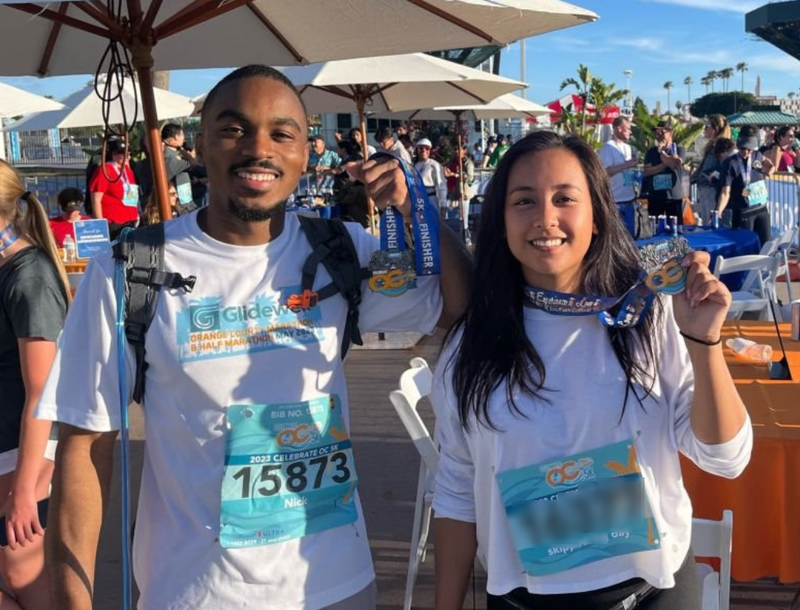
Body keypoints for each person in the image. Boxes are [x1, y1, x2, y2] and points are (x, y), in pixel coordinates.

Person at [36, 64, 472, 610]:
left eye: (281, 133)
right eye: (233, 129)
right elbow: (84, 445)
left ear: (305, 155)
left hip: (336, 584)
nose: (258, 149)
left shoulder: (343, 250)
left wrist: (415, 208)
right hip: (194, 593)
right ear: (199, 147)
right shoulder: (127, 271)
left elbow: (459, 305)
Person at [431, 131, 752, 610]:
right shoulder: (470, 345)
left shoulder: (646, 316)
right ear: (500, 221)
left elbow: (726, 458)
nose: (545, 218)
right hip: (523, 601)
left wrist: (704, 342)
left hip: (653, 595)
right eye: (523, 201)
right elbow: (457, 490)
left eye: (564, 198)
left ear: (597, 216)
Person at [0, 160, 70, 610]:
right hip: (9, 450)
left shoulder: (29, 275)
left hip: (22, 454)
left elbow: (42, 392)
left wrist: (25, 492)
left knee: (25, 580)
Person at [717, 127, 774, 245]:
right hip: (743, 211)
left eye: (749, 149)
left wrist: (771, 170)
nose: (746, 152)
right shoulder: (730, 163)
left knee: (766, 244)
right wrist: (719, 211)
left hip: (761, 208)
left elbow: (769, 163)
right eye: (743, 148)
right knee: (746, 246)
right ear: (738, 146)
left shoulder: (757, 155)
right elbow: (725, 192)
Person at [89, 139, 139, 240]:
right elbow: (96, 199)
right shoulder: (105, 170)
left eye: (129, 154)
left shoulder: (127, 171)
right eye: (124, 154)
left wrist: (137, 214)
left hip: (130, 220)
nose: (128, 157)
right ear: (114, 154)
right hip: (113, 223)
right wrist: (100, 225)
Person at [643, 120, 686, 219]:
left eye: (662, 132)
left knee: (675, 225)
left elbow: (675, 164)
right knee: (654, 224)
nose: (658, 135)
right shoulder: (651, 152)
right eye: (656, 133)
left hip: (673, 197)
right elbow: (647, 171)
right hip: (655, 196)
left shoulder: (679, 150)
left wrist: (662, 152)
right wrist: (664, 164)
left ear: (671, 133)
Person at [692, 114, 731, 224]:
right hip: (705, 188)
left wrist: (713, 177)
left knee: (712, 222)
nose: (704, 129)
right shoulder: (712, 145)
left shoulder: (722, 146)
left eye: (707, 126)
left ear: (715, 129)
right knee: (706, 221)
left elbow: (726, 167)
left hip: (712, 190)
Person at [599, 117, 639, 206]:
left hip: (630, 199)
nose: (630, 132)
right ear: (619, 129)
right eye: (628, 128)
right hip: (615, 201)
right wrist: (626, 165)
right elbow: (604, 173)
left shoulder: (628, 148)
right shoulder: (607, 148)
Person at [161, 123, 199, 216]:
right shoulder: (169, 157)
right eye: (182, 135)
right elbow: (193, 162)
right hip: (180, 206)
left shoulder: (173, 155)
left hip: (185, 203)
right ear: (176, 137)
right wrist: (183, 150)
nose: (183, 138)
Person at [333, 141, 369, 228]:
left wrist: (348, 183)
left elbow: (342, 200)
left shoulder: (357, 189)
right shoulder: (362, 187)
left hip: (359, 223)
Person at [414, 138, 448, 211]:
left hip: (430, 200)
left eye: (427, 148)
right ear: (417, 150)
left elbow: (441, 186)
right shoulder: (413, 166)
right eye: (421, 148)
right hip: (416, 201)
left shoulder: (435, 165)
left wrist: (443, 205)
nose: (424, 151)